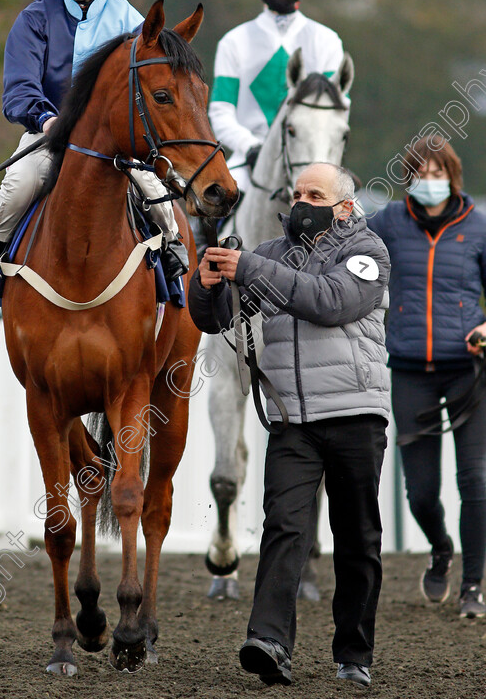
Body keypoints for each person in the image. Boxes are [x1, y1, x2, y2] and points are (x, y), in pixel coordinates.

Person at [189, 162, 391, 687]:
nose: (300, 199)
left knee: (357, 538)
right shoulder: (270, 256)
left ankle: (353, 654)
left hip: (355, 415)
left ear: (344, 205)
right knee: (284, 528)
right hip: (292, 420)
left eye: (314, 193)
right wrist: (207, 283)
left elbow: (329, 302)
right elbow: (216, 319)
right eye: (298, 190)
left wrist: (247, 268)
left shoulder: (367, 252)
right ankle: (270, 642)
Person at [0, 0, 188, 290]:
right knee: (19, 181)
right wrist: (48, 121)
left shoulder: (130, 21)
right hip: (48, 134)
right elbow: (19, 88)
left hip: (115, 144)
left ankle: (174, 249)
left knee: (155, 190)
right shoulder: (34, 18)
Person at [368, 137, 486, 618]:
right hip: (411, 370)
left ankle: (473, 587)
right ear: (408, 178)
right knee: (420, 492)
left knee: (476, 480)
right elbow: (349, 249)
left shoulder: (477, 227)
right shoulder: (390, 223)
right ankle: (441, 548)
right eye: (421, 172)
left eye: (438, 172)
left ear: (452, 176)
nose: (430, 180)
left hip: (468, 373)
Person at [208, 0, 345, 195]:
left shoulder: (327, 40)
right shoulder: (234, 41)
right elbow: (221, 111)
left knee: (355, 219)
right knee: (208, 209)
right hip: (250, 161)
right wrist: (250, 147)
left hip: (312, 158)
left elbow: (339, 109)